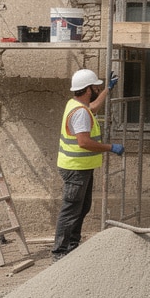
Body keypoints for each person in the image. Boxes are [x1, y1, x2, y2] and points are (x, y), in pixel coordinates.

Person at [53, 68, 122, 260]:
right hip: (75, 168)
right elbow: (83, 142)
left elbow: (92, 109)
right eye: (96, 87)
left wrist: (108, 90)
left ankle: (72, 247)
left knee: (81, 208)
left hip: (80, 167)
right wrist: (110, 147)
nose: (98, 89)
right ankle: (60, 252)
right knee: (71, 209)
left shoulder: (77, 105)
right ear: (88, 89)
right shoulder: (80, 113)